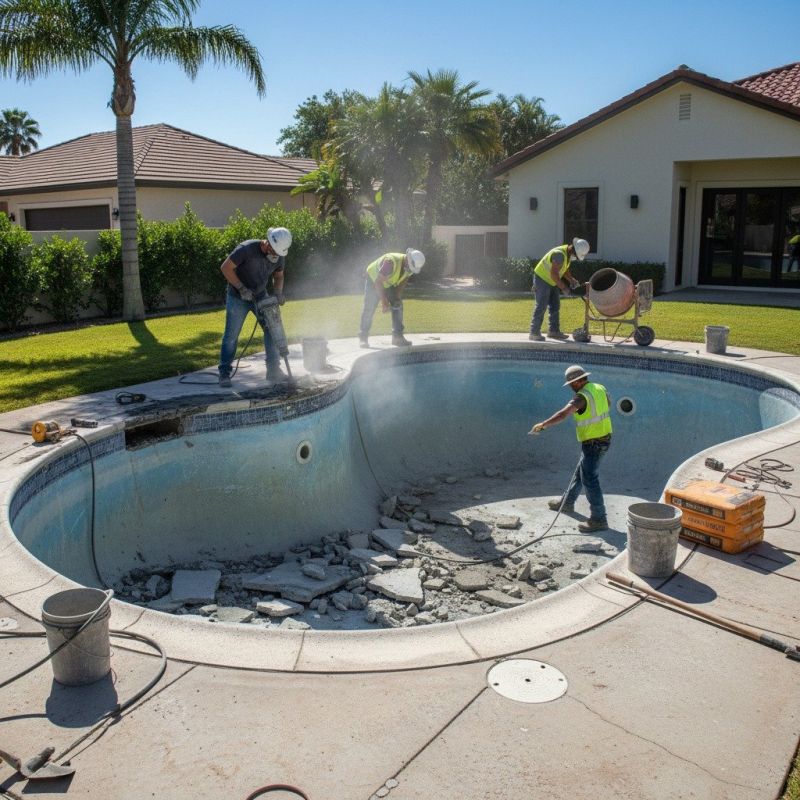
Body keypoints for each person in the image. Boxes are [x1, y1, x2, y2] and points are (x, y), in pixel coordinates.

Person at [529, 364, 612, 532]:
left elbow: (563, 414)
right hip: (603, 438)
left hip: (594, 442)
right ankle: (567, 502)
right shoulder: (599, 387)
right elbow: (608, 402)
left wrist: (543, 425)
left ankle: (599, 518)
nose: (572, 388)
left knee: (589, 478)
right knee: (581, 473)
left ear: (577, 382)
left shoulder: (581, 397)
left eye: (572, 384)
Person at [218, 227, 293, 388]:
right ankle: (224, 373)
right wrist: (241, 288)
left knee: (271, 330)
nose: (276, 256)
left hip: (260, 295)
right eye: (273, 251)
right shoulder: (246, 249)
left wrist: (278, 293)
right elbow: (225, 267)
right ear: (268, 243)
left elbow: (279, 275)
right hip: (237, 296)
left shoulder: (279, 254)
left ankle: (273, 371)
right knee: (231, 335)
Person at [358, 248, 425, 348]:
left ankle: (397, 338)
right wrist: (384, 303)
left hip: (388, 283)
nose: (410, 269)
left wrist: (397, 298)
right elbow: (378, 282)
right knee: (369, 308)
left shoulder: (409, 267)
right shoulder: (390, 262)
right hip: (374, 281)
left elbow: (403, 281)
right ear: (407, 258)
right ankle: (363, 338)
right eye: (410, 266)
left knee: (398, 306)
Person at [529, 238, 590, 341]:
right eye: (576, 255)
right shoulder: (559, 255)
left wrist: (571, 280)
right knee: (541, 305)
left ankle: (554, 331)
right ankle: (534, 332)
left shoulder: (566, 255)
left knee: (555, 305)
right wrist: (564, 288)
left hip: (551, 280)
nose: (575, 257)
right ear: (573, 250)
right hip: (542, 279)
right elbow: (554, 274)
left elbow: (563, 269)